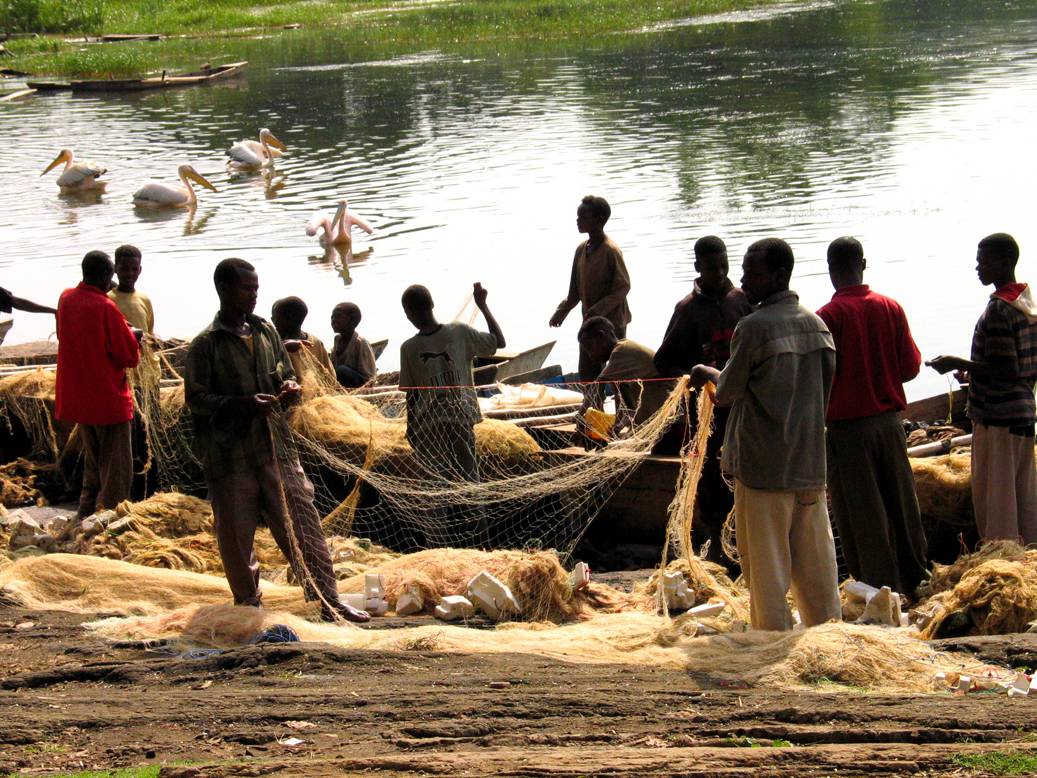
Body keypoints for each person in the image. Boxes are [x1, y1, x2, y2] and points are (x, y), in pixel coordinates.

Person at [185, 258, 368, 622]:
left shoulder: (266, 332)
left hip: (277, 449)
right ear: (223, 289)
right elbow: (196, 399)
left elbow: (283, 372)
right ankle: (249, 606)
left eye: (256, 288)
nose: (254, 295)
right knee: (237, 537)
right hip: (231, 456)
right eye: (245, 289)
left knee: (304, 524)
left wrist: (289, 387)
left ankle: (327, 599)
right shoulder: (207, 344)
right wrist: (241, 405)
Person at [690, 238, 840, 632]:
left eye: (751, 273)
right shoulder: (817, 325)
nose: (743, 280)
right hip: (809, 463)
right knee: (816, 562)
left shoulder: (753, 328)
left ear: (778, 276)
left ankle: (771, 641)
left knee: (767, 566)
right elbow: (824, 392)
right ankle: (829, 635)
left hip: (764, 469)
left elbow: (726, 394)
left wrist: (706, 372)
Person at [818, 237, 927, 595]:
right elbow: (910, 369)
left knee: (861, 513)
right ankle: (916, 579)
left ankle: (880, 590)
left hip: (848, 429)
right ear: (863, 264)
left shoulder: (826, 318)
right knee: (902, 503)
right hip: (889, 424)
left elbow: (817, 381)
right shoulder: (889, 307)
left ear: (831, 270)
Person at [928, 233, 1037, 544]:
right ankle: (1030, 550)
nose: (978, 268)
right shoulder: (1026, 303)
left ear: (1004, 262)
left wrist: (956, 361)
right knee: (1023, 494)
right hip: (1023, 412)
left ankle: (1002, 558)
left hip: (999, 417)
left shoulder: (1000, 310)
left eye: (983, 262)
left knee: (998, 502)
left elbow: (1006, 369)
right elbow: (1019, 367)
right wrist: (975, 372)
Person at [653, 236, 752, 566]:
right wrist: (694, 380)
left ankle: (746, 539)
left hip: (742, 408)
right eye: (711, 267)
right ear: (698, 268)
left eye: (723, 264)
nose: (719, 272)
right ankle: (718, 545)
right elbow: (663, 362)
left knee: (745, 473)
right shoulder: (687, 310)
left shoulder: (741, 301)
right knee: (711, 476)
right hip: (708, 415)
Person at [399, 283, 505, 544]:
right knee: (469, 481)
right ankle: (481, 542)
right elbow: (499, 342)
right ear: (432, 304)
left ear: (407, 313)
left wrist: (411, 429)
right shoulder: (458, 332)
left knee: (434, 489)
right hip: (458, 419)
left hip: (430, 427)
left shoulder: (410, 348)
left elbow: (412, 396)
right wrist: (483, 305)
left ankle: (440, 545)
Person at [55, 251, 140, 520]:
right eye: (112, 276)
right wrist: (132, 335)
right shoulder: (105, 308)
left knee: (93, 464)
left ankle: (85, 513)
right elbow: (129, 356)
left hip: (80, 400)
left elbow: (66, 334)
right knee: (116, 470)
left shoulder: (66, 298)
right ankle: (112, 522)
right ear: (106, 276)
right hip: (107, 401)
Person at [549, 195, 632, 381]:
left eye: (584, 218)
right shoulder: (581, 250)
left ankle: (622, 408)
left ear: (599, 220)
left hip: (613, 324)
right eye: (578, 217)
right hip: (590, 324)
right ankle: (593, 406)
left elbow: (623, 287)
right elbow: (575, 292)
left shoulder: (610, 250)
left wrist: (598, 310)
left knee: (617, 374)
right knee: (587, 372)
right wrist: (562, 311)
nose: (578, 221)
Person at [108, 244, 159, 500]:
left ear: (140, 269)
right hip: (125, 380)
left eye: (134, 268)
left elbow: (148, 334)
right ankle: (131, 491)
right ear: (115, 269)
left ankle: (151, 488)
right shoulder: (108, 300)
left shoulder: (145, 299)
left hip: (148, 377)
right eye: (124, 268)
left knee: (150, 433)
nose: (129, 273)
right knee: (132, 437)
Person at [576, 316, 669, 441]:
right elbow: (630, 409)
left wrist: (579, 415)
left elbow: (596, 387)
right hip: (652, 414)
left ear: (601, 336)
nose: (590, 356)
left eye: (590, 348)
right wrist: (618, 427)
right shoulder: (618, 365)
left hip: (665, 414)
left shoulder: (621, 351)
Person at [270, 296, 336, 387]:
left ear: (290, 317)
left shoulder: (316, 343)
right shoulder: (274, 343)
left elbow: (329, 376)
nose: (272, 319)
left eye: (275, 316)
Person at [330, 302, 377, 388]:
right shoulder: (337, 340)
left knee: (342, 370)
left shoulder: (360, 342)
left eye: (338, 316)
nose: (333, 320)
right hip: (343, 381)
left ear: (352, 320)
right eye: (332, 317)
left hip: (362, 384)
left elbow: (370, 378)